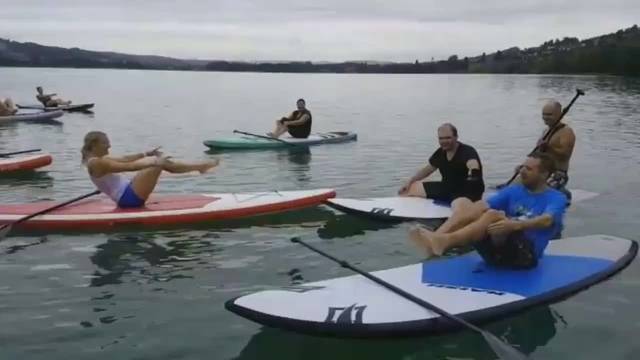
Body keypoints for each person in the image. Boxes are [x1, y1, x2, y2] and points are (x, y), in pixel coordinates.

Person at [409, 152, 567, 269]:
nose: (522, 171)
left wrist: (513, 225)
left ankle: (444, 241)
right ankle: (438, 238)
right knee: (464, 203)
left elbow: (547, 220)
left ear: (544, 174)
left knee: (492, 215)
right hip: (497, 252)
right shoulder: (514, 191)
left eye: (529, 169)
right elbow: (481, 206)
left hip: (524, 257)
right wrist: (469, 211)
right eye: (522, 167)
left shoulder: (556, 198)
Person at [82, 131, 219, 208]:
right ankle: (201, 167)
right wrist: (155, 162)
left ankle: (201, 167)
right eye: (105, 143)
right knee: (157, 164)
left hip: (128, 192)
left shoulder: (97, 160)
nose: (109, 146)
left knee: (159, 163)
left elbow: (124, 158)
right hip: (128, 198)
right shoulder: (97, 163)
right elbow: (129, 166)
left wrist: (146, 154)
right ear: (94, 145)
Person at [398, 123, 485, 204]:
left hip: (467, 192)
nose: (444, 141)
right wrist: (409, 181)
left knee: (459, 202)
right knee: (411, 188)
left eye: (448, 138)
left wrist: (474, 173)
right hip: (447, 188)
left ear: (456, 137)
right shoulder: (441, 152)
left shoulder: (467, 151)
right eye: (441, 138)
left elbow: (473, 164)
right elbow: (427, 170)